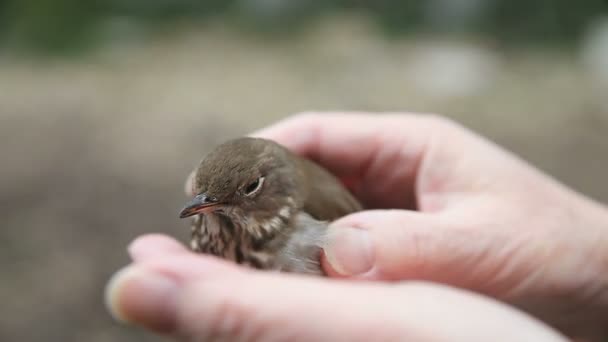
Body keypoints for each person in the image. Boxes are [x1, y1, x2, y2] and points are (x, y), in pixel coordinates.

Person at [105, 112, 608, 341]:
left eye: (248, 191)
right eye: (207, 199)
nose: (208, 207)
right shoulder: (213, 223)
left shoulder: (311, 217)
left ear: (272, 184)